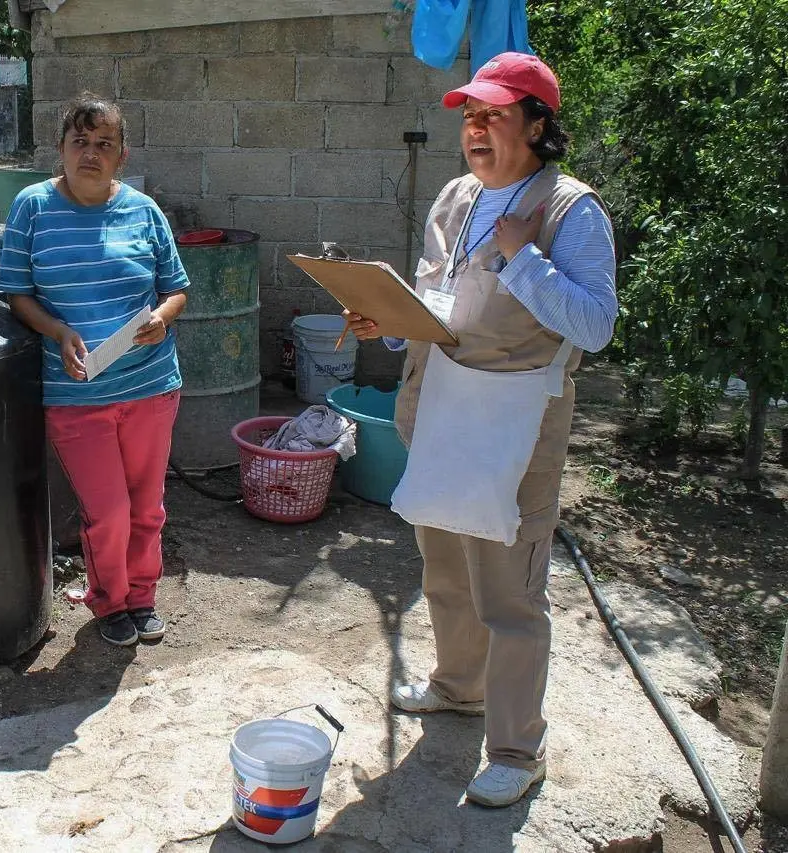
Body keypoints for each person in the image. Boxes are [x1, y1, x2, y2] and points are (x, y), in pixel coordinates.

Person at [345, 53, 617, 807]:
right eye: (470, 115)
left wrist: (521, 255)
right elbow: (437, 300)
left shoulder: (570, 211)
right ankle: (457, 686)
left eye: (494, 114)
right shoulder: (457, 196)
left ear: (538, 124)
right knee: (446, 568)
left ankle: (515, 748)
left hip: (513, 426)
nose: (476, 128)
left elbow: (594, 325)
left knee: (509, 592)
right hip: (441, 410)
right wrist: (389, 322)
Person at [0, 92, 189, 648]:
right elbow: (16, 291)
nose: (91, 153)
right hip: (75, 393)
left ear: (121, 156)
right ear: (61, 149)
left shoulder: (144, 210)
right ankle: (110, 601)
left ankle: (142, 596)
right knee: (107, 511)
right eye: (80, 141)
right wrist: (58, 331)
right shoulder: (32, 207)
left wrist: (160, 317)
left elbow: (176, 287)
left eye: (105, 144)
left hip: (150, 384)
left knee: (147, 507)